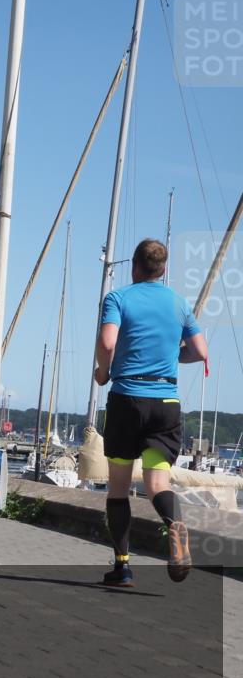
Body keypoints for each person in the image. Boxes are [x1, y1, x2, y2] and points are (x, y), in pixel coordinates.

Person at [95, 239, 207, 586]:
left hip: (128, 398)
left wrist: (103, 372)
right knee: (158, 483)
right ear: (162, 269)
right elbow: (200, 351)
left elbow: (108, 342)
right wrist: (173, 356)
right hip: (165, 404)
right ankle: (175, 525)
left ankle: (123, 566)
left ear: (135, 266)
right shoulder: (178, 303)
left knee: (118, 487)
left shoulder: (118, 298)